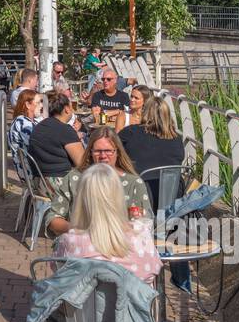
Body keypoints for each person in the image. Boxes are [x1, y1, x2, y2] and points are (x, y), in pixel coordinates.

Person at [50, 164, 163, 322]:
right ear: (116, 197)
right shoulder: (138, 241)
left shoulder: (70, 243)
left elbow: (59, 280)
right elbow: (153, 273)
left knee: (60, 309)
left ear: (83, 199)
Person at [27, 91, 85, 239]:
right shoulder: (65, 130)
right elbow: (82, 163)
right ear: (67, 108)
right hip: (58, 184)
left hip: (39, 182)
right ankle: (89, 228)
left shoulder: (39, 127)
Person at [118, 95, 186, 207]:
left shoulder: (130, 133)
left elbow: (114, 151)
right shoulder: (176, 138)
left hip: (140, 194)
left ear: (145, 113)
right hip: (172, 195)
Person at [79, 127, 152, 217]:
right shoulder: (76, 179)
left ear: (118, 152)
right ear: (90, 152)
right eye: (97, 151)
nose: (103, 156)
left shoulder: (133, 183)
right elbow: (56, 218)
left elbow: (147, 220)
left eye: (108, 151)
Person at [9, 88, 40, 173]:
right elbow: (38, 144)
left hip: (36, 167)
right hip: (31, 171)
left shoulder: (32, 121)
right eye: (38, 103)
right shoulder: (22, 122)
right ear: (28, 105)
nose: (41, 106)